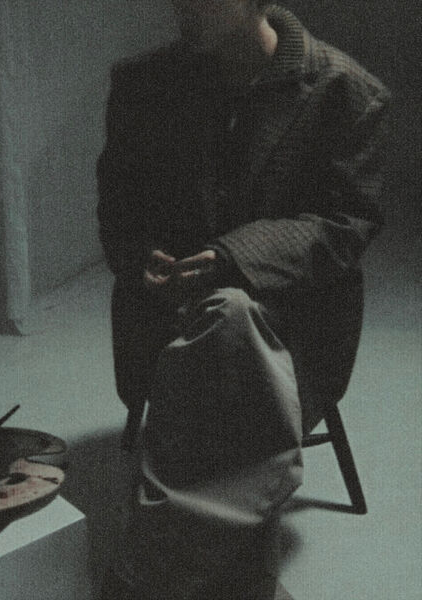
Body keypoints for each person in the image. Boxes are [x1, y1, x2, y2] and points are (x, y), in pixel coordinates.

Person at [96, 1, 390, 598]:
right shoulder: (143, 83)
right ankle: (229, 573)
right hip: (166, 311)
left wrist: (234, 259)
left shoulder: (346, 92)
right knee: (223, 327)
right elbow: (119, 206)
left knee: (232, 317)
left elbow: (344, 225)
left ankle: (167, 567)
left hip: (294, 319)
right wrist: (140, 255)